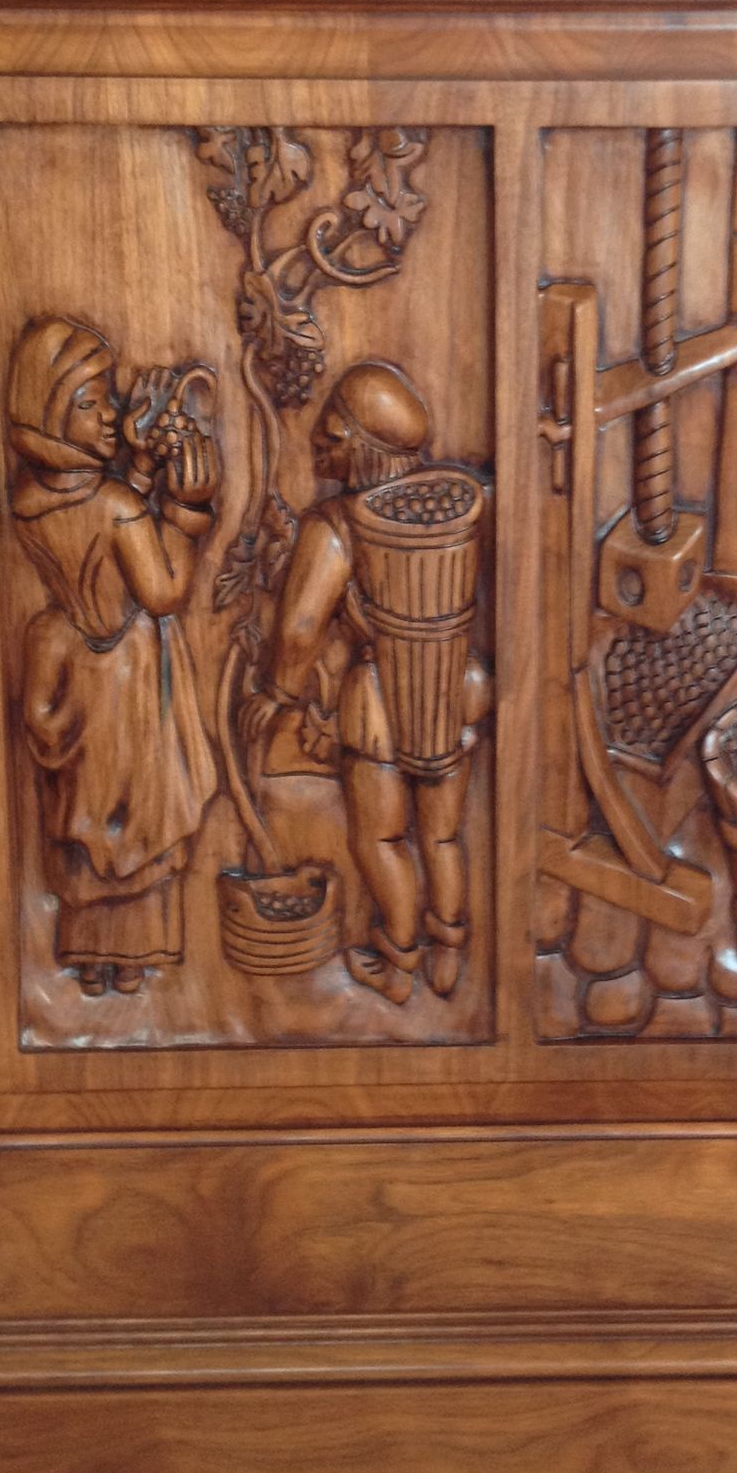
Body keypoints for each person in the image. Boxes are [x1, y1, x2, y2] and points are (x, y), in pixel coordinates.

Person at [240, 360, 487, 1005]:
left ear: (362, 446)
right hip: (454, 690)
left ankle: (400, 965)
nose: (317, 442)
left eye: (332, 432)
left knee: (380, 839)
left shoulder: (338, 526)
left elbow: (299, 629)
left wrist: (279, 693)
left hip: (377, 701)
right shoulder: (453, 507)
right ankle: (449, 958)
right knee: (441, 835)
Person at [7, 317, 221, 997]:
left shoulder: (30, 500)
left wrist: (140, 468)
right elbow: (162, 591)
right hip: (127, 678)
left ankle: (89, 957)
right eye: (90, 403)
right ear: (50, 413)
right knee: (139, 816)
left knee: (91, 813)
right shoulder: (118, 507)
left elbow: (90, 534)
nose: (111, 413)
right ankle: (135, 957)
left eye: (109, 398)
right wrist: (187, 508)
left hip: (73, 665)